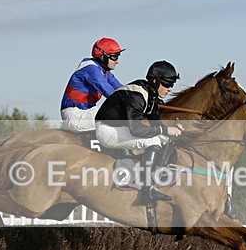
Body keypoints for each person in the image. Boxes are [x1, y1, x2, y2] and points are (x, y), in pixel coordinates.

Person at [95, 60, 184, 202]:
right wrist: (166, 130)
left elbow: (156, 123)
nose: (170, 89)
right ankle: (147, 190)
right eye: (167, 84)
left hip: (118, 128)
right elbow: (136, 129)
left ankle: (154, 178)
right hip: (107, 130)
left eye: (172, 85)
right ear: (155, 81)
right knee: (155, 139)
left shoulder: (152, 95)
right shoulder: (137, 95)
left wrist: (174, 131)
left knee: (164, 138)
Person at [60, 37, 125, 132]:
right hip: (74, 115)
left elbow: (123, 91)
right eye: (115, 56)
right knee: (118, 112)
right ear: (102, 57)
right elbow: (112, 95)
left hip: (85, 113)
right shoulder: (91, 70)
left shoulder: (104, 72)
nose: (117, 61)